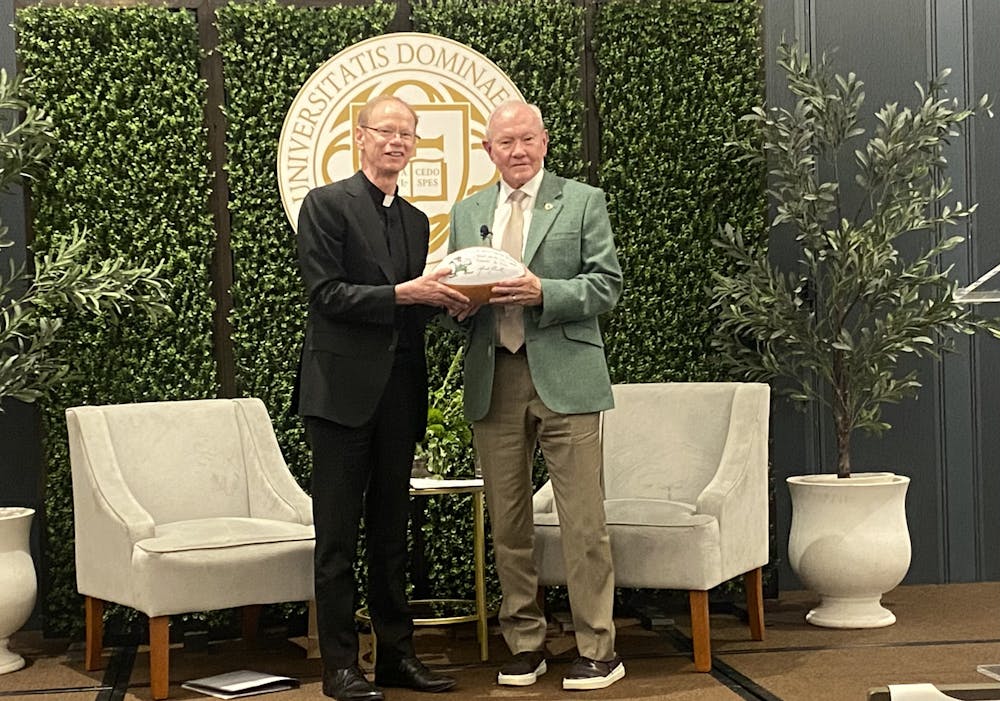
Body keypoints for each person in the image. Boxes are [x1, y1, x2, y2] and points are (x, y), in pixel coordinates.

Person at [292, 95, 467, 701]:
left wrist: (449, 304)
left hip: (399, 394)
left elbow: (409, 311)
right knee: (337, 537)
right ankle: (340, 666)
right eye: (385, 131)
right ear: (359, 136)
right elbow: (328, 296)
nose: (396, 142)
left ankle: (396, 656)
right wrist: (404, 294)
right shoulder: (325, 204)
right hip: (339, 395)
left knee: (393, 535)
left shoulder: (417, 220)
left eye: (407, 134)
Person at [447, 100, 625, 691]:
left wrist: (541, 290)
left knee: (583, 522)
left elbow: (606, 286)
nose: (517, 151)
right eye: (505, 142)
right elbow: (458, 299)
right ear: (488, 150)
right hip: (493, 376)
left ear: (544, 142)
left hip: (566, 377)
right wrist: (457, 302)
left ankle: (597, 645)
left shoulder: (583, 201)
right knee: (509, 523)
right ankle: (526, 643)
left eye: (527, 139)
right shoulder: (468, 210)